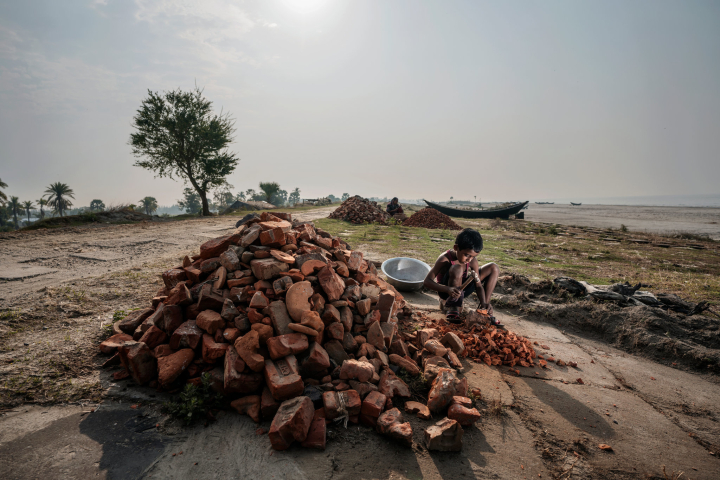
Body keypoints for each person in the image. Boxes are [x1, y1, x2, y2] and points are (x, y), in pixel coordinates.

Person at [423, 228, 500, 325]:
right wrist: (447, 289)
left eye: (473, 256)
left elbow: (478, 285)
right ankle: (453, 307)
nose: (469, 259)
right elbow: (427, 281)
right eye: (467, 255)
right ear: (456, 248)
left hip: (462, 290)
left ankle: (484, 310)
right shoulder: (444, 259)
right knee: (457, 268)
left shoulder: (472, 261)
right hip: (447, 292)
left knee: (494, 267)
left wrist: (484, 302)